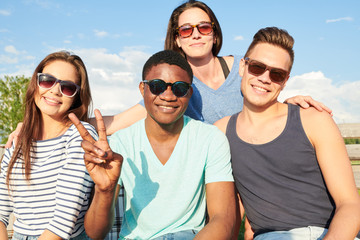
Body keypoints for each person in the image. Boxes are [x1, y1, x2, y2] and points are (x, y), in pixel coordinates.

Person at [69, 50, 236, 239]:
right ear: (142, 89)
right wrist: (105, 190)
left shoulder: (210, 139)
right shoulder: (119, 144)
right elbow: (95, 233)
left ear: (189, 93)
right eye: (157, 86)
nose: (168, 95)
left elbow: (223, 217)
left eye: (179, 88)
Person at [215, 27, 360, 240]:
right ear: (242, 66)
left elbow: (350, 204)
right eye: (257, 67)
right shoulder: (222, 131)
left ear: (285, 81)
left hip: (328, 234)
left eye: (276, 74)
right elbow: (229, 208)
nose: (265, 78)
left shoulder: (313, 120)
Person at [0, 51, 97, 240]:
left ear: (76, 98)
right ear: (35, 84)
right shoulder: (18, 140)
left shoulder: (79, 136)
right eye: (47, 80)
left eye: (67, 87)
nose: (54, 90)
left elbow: (63, 222)